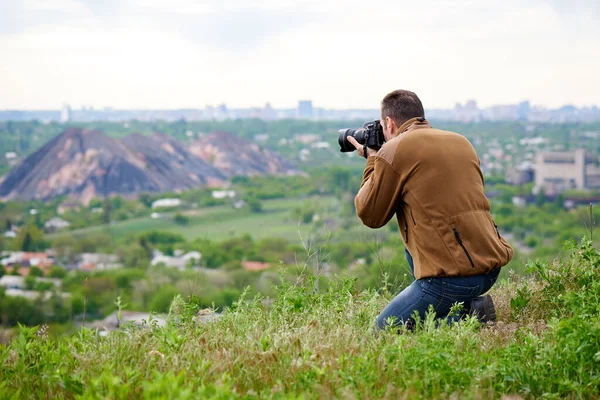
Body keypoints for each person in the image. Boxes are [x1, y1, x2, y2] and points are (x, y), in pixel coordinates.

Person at [347, 89, 513, 331]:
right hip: (489, 269)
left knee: (383, 331)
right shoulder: (461, 142)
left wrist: (374, 160)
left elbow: (370, 214)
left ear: (389, 123)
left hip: (449, 280)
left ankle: (469, 317)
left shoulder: (394, 151)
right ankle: (465, 306)